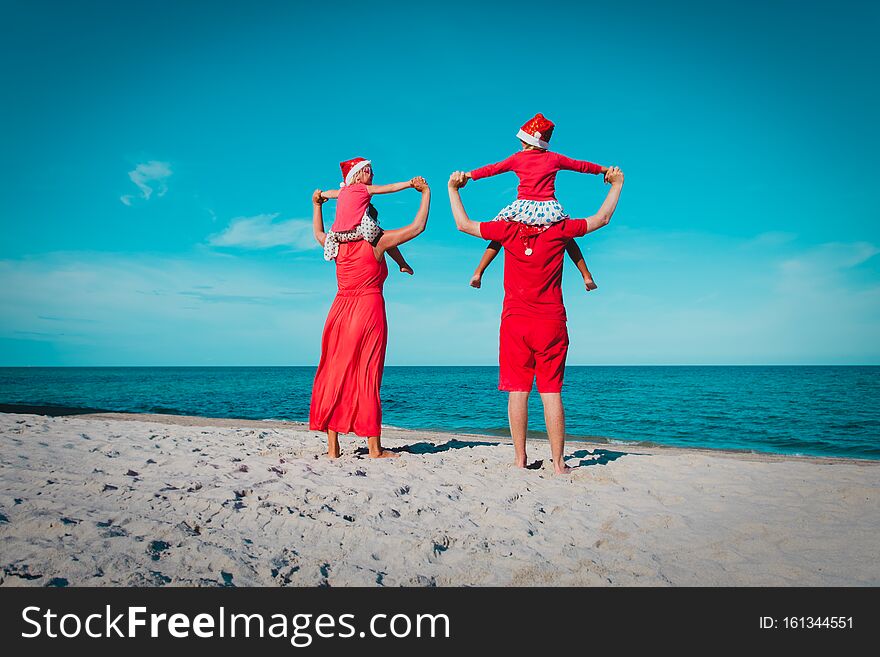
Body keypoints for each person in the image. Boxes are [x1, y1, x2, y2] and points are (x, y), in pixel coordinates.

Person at [447, 166, 624, 474]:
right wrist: (616, 184)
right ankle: (558, 465)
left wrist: (453, 189)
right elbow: (602, 219)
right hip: (551, 322)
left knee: (518, 391)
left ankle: (520, 459)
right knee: (551, 392)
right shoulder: (560, 230)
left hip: (515, 322)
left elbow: (463, 225)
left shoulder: (508, 230)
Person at [309, 176, 430, 459]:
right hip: (368, 309)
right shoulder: (376, 242)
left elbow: (317, 232)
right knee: (367, 374)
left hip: (338, 312)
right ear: (371, 223)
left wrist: (316, 205)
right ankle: (374, 448)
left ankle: (332, 448)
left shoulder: (335, 244)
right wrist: (425, 193)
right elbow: (418, 227)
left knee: (335, 373)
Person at [462, 113, 610, 292]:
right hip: (549, 209)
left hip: (523, 208)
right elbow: (580, 165)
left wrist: (469, 175)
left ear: (526, 141)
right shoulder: (554, 158)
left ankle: (478, 272)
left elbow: (493, 169)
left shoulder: (517, 158)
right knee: (568, 239)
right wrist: (604, 170)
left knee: (499, 235)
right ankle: (586, 275)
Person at [319, 157, 420, 275]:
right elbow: (390, 187)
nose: (372, 174)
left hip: (337, 234)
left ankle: (332, 253)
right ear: (356, 176)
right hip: (357, 231)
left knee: (380, 236)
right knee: (383, 237)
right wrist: (409, 183)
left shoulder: (341, 191)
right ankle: (402, 264)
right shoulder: (365, 188)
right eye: (368, 171)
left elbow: (330, 193)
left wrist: (320, 194)